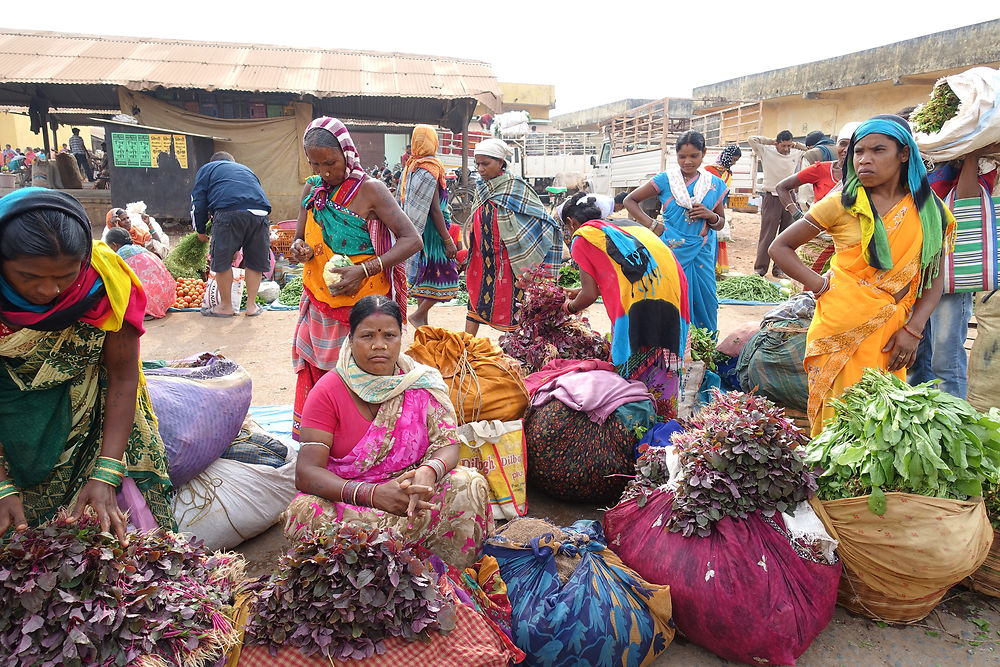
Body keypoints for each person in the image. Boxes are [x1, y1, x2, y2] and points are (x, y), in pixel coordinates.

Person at [0, 189, 174, 541]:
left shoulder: (103, 282)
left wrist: (107, 471)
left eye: (65, 276)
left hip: (88, 419)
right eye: (29, 277)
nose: (49, 290)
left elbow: (122, 376)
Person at [769, 115, 955, 435]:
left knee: (882, 426)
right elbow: (780, 247)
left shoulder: (930, 210)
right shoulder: (842, 203)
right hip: (838, 324)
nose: (864, 159)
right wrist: (821, 285)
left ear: (904, 154)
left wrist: (914, 330)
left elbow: (934, 277)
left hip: (893, 332)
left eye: (878, 150)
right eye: (858, 151)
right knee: (836, 426)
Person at [284, 296, 492, 568]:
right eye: (367, 335)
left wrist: (429, 472)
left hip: (412, 498)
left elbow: (448, 443)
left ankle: (446, 579)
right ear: (351, 338)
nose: (379, 345)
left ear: (401, 337)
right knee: (305, 512)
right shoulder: (328, 391)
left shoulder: (420, 382)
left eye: (390, 335)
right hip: (350, 502)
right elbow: (307, 472)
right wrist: (373, 494)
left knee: (468, 482)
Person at [287, 117, 421, 440]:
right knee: (322, 376)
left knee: (359, 378)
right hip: (320, 303)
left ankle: (361, 443)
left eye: (330, 162)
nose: (324, 171)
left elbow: (411, 239)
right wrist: (299, 248)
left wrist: (364, 270)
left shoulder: (370, 191)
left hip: (360, 310)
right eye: (315, 163)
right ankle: (323, 439)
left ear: (346, 154)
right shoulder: (313, 189)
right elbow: (300, 236)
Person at [560, 192, 689, 416]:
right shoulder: (627, 225)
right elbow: (621, 270)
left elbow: (590, 295)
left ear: (572, 223)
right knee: (663, 364)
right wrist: (577, 292)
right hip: (674, 295)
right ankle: (666, 424)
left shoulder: (583, 236)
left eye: (567, 228)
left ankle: (637, 423)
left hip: (639, 307)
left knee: (632, 377)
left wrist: (568, 308)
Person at [908, 143, 1000, 398]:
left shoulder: (980, 164)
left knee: (944, 360)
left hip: (948, 275)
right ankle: (919, 415)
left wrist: (970, 153)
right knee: (915, 357)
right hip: (913, 271)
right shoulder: (922, 166)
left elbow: (967, 200)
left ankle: (952, 421)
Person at [623, 131, 729, 332]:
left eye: (694, 156)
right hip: (671, 250)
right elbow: (630, 201)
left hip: (702, 251)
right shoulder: (666, 180)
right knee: (671, 297)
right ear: (676, 155)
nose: (687, 162)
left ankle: (702, 348)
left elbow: (720, 223)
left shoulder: (714, 184)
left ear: (703, 153)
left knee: (706, 300)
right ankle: (673, 347)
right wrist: (653, 225)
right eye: (682, 156)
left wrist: (710, 215)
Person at [465, 137, 562, 334]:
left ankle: (516, 348)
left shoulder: (515, 187)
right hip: (483, 260)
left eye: (486, 163)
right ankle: (465, 348)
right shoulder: (481, 187)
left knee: (513, 305)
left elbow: (542, 218)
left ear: (500, 162)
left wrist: (527, 244)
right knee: (475, 300)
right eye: (477, 164)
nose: (480, 169)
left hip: (509, 260)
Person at [190, 151, 271, 317]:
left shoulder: (207, 169)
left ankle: (226, 306)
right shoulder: (246, 170)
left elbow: (199, 203)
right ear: (232, 161)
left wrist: (200, 231)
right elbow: (248, 201)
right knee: (254, 262)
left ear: (213, 161)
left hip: (228, 212)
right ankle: (251, 306)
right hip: (260, 214)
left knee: (222, 261)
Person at [398, 125, 460, 328]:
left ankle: (423, 327)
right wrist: (447, 240)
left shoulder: (411, 167)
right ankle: (418, 316)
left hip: (417, 232)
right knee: (447, 276)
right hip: (433, 232)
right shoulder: (430, 168)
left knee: (425, 276)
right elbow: (434, 209)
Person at [748, 130, 808, 277]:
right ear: (777, 143)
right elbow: (752, 139)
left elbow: (807, 149)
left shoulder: (795, 152)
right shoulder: (766, 150)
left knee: (786, 235)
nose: (786, 149)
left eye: (789, 145)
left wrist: (795, 144)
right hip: (772, 197)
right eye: (783, 146)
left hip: (790, 197)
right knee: (767, 234)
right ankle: (760, 269)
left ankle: (779, 269)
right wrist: (771, 141)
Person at [105, 227, 176, 320]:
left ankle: (144, 311)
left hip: (147, 304)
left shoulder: (119, 257)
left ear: (114, 245)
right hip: (166, 299)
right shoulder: (140, 249)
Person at [705, 145, 743, 274]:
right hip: (707, 208)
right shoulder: (709, 170)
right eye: (733, 160)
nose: (733, 163)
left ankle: (714, 268)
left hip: (719, 209)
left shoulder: (728, 173)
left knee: (717, 237)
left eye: (736, 161)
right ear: (726, 156)